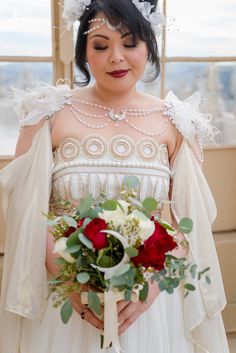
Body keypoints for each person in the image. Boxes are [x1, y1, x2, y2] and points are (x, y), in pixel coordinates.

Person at [0, 0, 230, 352]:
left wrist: (151, 288)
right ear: (83, 52)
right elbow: (25, 210)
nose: (116, 57)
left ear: (149, 46)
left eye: (130, 43)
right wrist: (71, 281)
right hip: (68, 299)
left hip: (150, 303)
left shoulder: (177, 122)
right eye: (101, 45)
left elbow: (189, 224)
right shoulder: (47, 114)